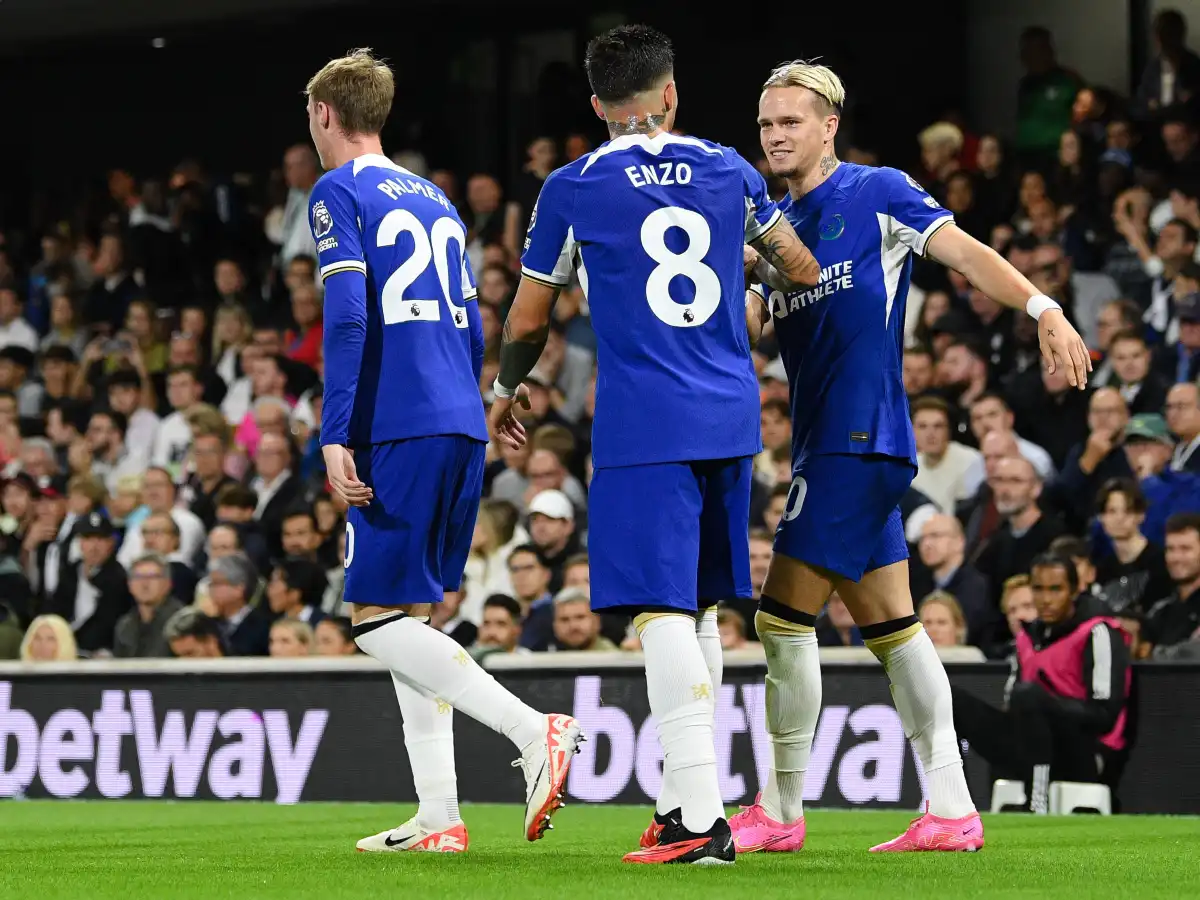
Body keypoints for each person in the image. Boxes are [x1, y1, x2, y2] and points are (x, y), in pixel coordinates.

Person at [735, 59, 1091, 855]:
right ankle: (951, 809)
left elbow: (965, 255)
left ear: (829, 127)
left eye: (791, 121)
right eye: (765, 125)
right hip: (825, 444)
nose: (775, 136)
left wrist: (1043, 307)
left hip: (859, 440)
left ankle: (780, 810)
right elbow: (746, 334)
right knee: (893, 627)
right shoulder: (768, 231)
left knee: (781, 618)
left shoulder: (877, 191)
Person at [489, 25, 819, 866]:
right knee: (703, 601)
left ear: (599, 104)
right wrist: (746, 265)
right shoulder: (729, 168)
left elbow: (529, 317)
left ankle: (702, 820)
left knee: (660, 609)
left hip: (646, 420)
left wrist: (504, 389)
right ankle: (681, 797)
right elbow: (802, 269)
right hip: (731, 414)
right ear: (670, 94)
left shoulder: (575, 184)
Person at [304, 49, 582, 856]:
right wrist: (487, 401)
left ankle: (534, 732)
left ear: (325, 114)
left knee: (373, 619)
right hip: (457, 417)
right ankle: (438, 815)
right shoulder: (433, 199)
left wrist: (334, 429)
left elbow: (350, 314)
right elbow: (467, 316)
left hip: (398, 423)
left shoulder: (338, 190)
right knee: (411, 617)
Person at [951, 554, 1131, 813]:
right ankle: (955, 804)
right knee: (951, 699)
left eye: (1055, 589)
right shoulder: (1027, 637)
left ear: (1074, 590)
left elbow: (1104, 715)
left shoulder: (1097, 632)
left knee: (1028, 697)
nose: (1046, 599)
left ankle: (1037, 802)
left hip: (1083, 752)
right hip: (1030, 742)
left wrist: (1047, 706)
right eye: (1038, 589)